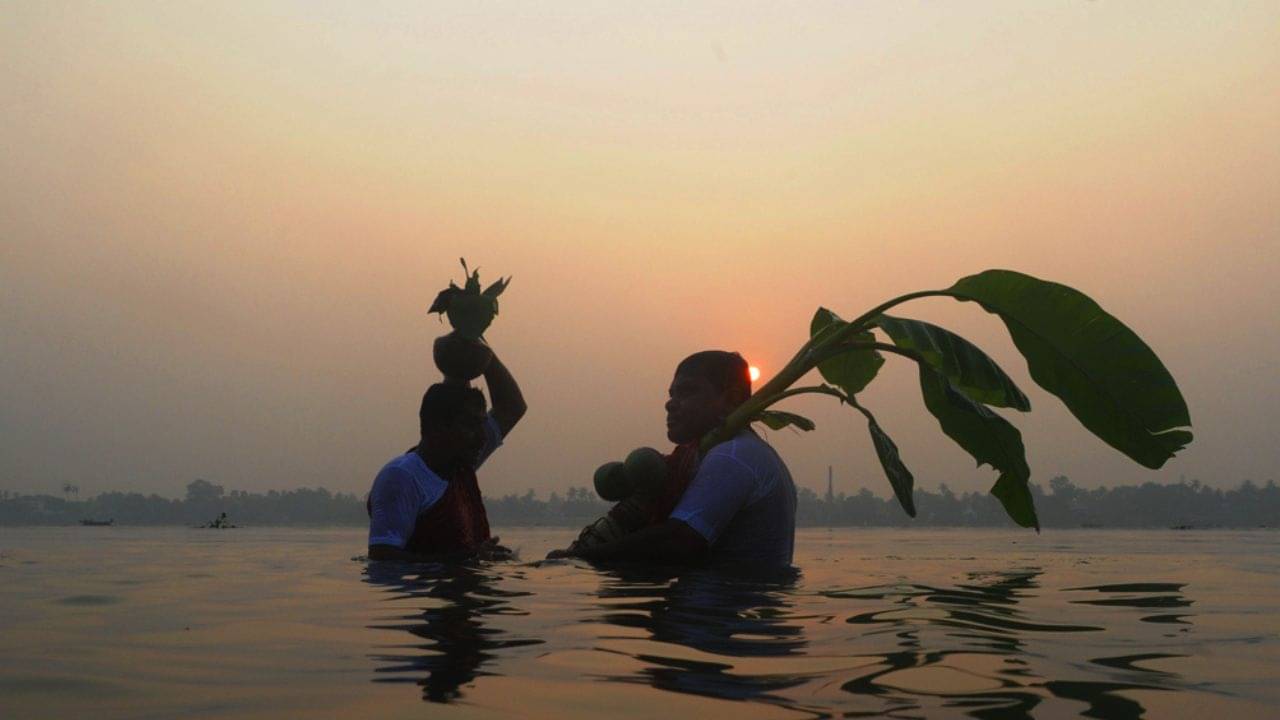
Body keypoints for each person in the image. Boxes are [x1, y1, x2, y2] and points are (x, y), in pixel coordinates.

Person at [569, 350, 797, 569]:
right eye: (671, 394)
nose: (670, 404)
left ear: (731, 399)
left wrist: (581, 557)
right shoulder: (741, 452)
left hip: (720, 603)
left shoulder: (733, 455)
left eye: (687, 392)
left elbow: (680, 542)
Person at [367, 346, 525, 561]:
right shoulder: (401, 478)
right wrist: (468, 558)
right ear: (437, 428)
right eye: (470, 425)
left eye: (481, 425)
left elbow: (511, 407)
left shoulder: (460, 465)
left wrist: (476, 342)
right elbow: (383, 560)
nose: (482, 437)